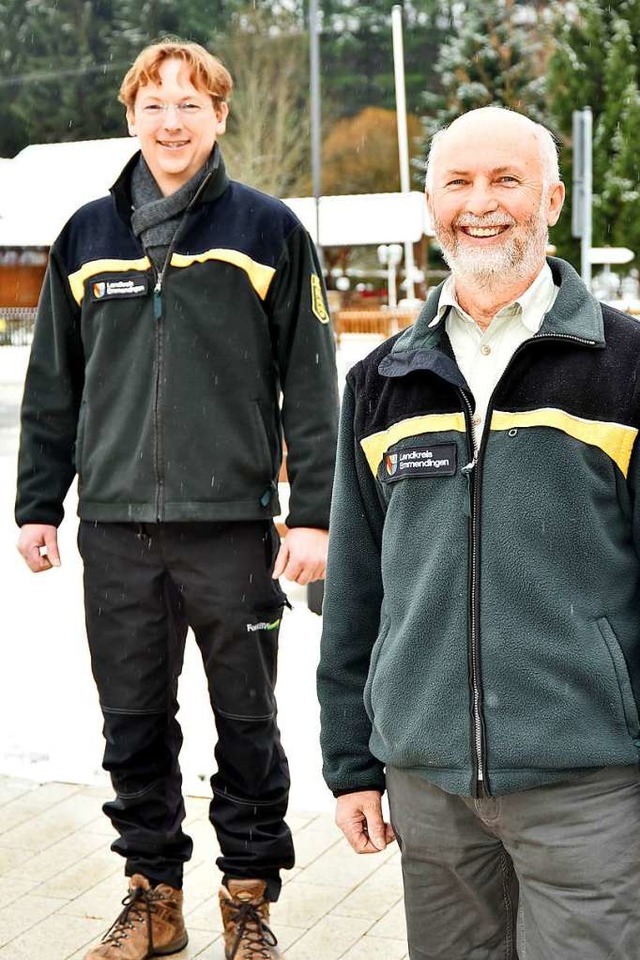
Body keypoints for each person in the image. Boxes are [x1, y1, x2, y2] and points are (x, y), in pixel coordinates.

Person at [16, 39, 338, 960]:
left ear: (219, 117)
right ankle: (153, 896)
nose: (171, 121)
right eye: (154, 105)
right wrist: (39, 503)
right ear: (130, 117)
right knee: (131, 723)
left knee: (248, 721)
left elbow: (312, 386)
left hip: (232, 530)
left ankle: (248, 901)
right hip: (115, 529)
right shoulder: (86, 235)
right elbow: (53, 388)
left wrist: (312, 512)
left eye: (190, 105)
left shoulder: (269, 229)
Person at [317, 105, 640, 960]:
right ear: (430, 203)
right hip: (428, 788)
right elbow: (357, 590)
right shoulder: (382, 380)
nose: (481, 203)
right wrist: (353, 762)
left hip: (588, 784)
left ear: (553, 199)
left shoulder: (628, 367)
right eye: (457, 182)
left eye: (506, 179)